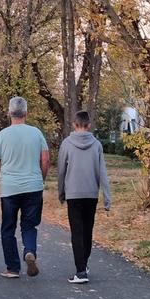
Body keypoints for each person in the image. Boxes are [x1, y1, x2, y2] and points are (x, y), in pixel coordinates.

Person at [0, 97, 50, 279]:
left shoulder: (1, 136)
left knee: (8, 228)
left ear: (9, 113)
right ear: (26, 113)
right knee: (29, 225)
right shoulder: (37, 133)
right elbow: (45, 160)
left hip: (10, 190)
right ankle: (30, 251)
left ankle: (12, 268)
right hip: (33, 187)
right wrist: (40, 179)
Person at [57, 110, 111, 284]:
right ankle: (83, 264)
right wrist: (107, 197)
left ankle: (80, 272)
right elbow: (103, 172)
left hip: (73, 193)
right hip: (91, 193)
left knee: (77, 231)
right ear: (89, 125)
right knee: (87, 230)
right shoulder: (97, 145)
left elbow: (61, 171)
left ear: (74, 124)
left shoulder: (66, 144)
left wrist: (61, 192)